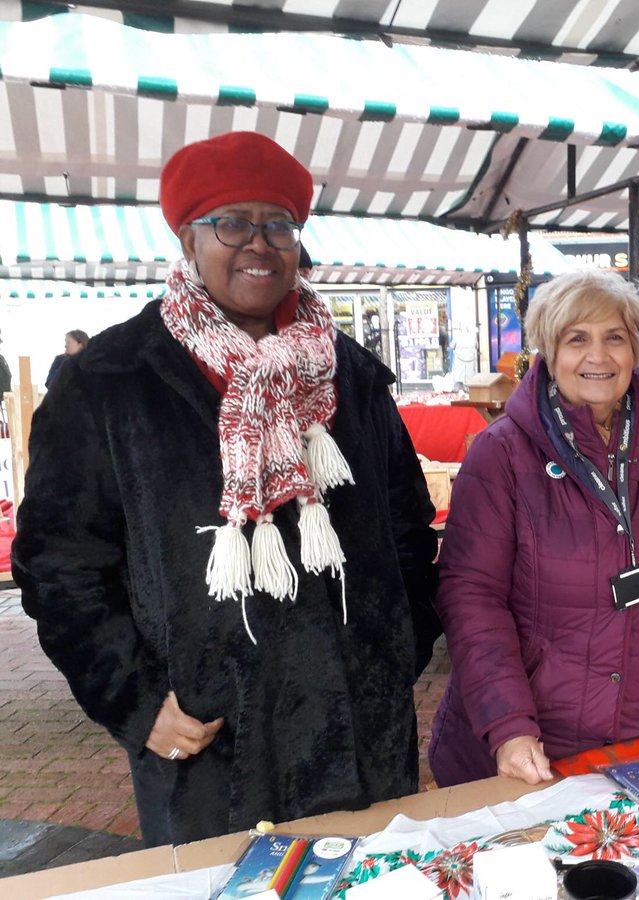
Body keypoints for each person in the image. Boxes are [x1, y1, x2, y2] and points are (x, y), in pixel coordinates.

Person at [13, 132, 440, 846]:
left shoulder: (351, 373)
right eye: (231, 223)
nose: (260, 245)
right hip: (213, 747)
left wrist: (397, 650)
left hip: (360, 729)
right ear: (187, 238)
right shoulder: (111, 381)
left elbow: (406, 525)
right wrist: (135, 701)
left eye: (279, 224)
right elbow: (58, 564)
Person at [429, 267, 639, 787]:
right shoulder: (502, 453)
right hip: (534, 747)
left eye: (614, 338)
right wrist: (507, 723)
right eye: (577, 339)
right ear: (547, 351)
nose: (598, 357)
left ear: (635, 349)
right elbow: (471, 594)